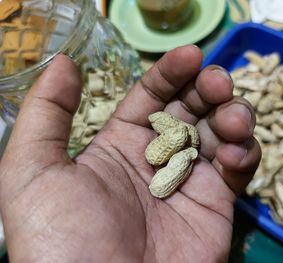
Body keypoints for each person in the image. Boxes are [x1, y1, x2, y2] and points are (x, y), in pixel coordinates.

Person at [0, 45, 261, 262]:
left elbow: (177, 147)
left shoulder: (184, 146)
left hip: (178, 154)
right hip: (174, 157)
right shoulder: (178, 146)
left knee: (219, 131)